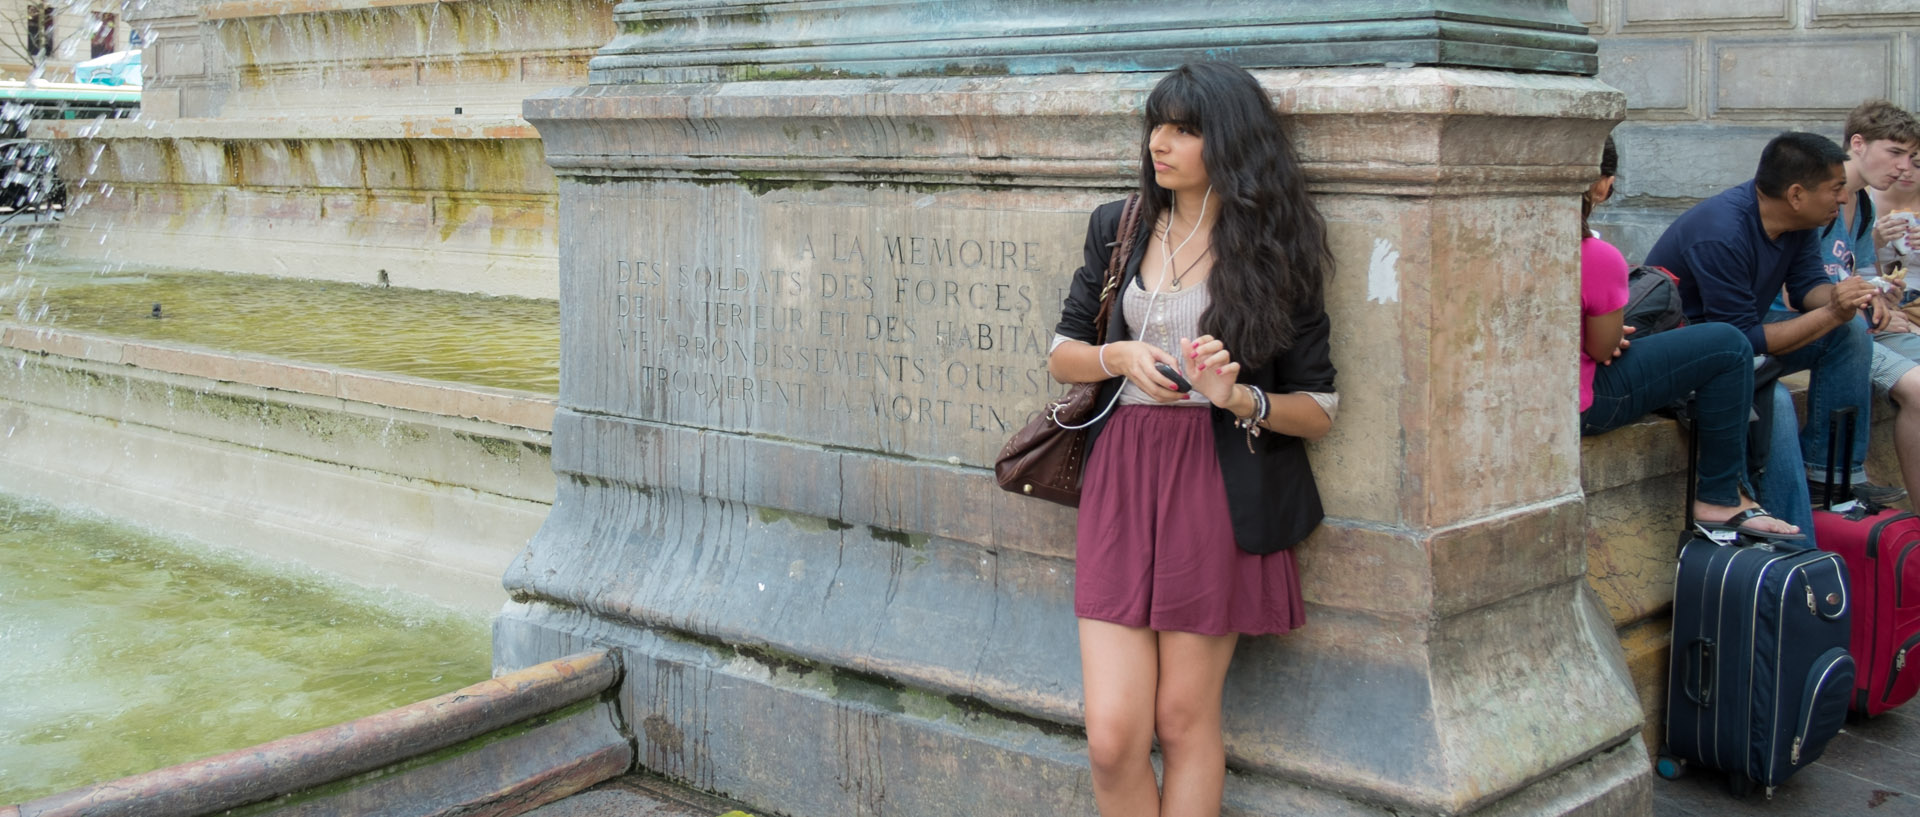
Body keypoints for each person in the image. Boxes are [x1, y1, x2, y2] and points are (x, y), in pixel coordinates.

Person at [1047, 61, 1336, 817]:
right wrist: (1121, 356)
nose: (1159, 143)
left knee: (1181, 718)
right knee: (1112, 733)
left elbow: (1320, 407)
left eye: (1185, 129)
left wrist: (1238, 395)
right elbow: (1061, 354)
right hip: (1122, 473)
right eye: (1157, 125)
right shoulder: (1120, 226)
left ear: (1229, 142)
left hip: (1215, 481)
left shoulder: (1272, 248)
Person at [1645, 132, 1880, 538]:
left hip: (1738, 345)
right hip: (1691, 362)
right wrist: (1832, 312)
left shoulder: (1801, 221)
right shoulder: (1721, 232)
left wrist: (1845, 297)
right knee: (1776, 399)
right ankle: (1795, 542)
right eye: (1836, 188)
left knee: (1851, 331)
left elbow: (1808, 289)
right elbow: (1742, 341)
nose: (1843, 199)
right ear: (1795, 194)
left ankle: (1829, 473)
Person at [1580, 137, 1799, 539]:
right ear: (1600, 185)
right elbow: (1599, 348)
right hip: (1584, 401)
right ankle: (1719, 497)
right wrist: (1611, 335)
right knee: (1729, 345)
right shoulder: (1595, 256)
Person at [1800, 101, 1920, 505]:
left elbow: (1863, 268)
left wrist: (1884, 294)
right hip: (1826, 329)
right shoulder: (1818, 200)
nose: (1905, 167)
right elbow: (1797, 290)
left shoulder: (1863, 205)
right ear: (1858, 143)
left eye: (1911, 156)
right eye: (1896, 153)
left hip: (1862, 323)